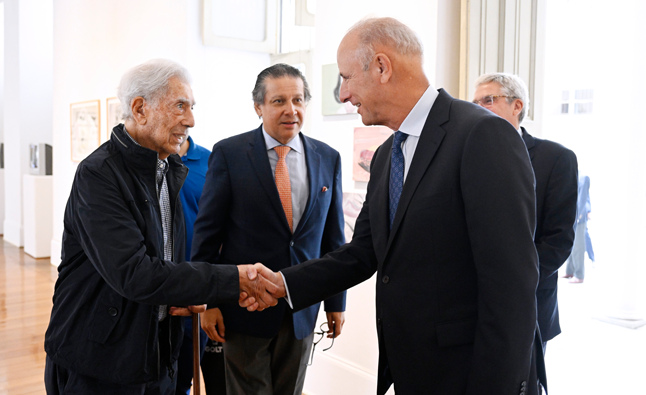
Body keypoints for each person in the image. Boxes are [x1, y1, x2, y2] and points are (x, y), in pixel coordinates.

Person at [255, 18, 544, 395]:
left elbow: (512, 285)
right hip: (412, 370)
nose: (342, 94)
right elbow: (362, 253)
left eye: (346, 78)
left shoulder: (482, 135)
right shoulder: (386, 155)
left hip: (470, 375)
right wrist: (283, 284)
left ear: (381, 67)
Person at [44, 59, 274, 395]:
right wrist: (232, 279)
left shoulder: (167, 169)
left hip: (156, 350)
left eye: (191, 107)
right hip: (100, 359)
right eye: (180, 106)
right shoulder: (98, 174)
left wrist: (190, 294)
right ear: (140, 109)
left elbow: (166, 260)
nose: (191, 120)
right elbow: (134, 273)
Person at [192, 63, 346, 395]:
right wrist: (209, 302)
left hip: (303, 308)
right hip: (244, 308)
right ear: (258, 107)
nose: (291, 110)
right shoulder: (229, 154)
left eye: (298, 100)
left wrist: (336, 303)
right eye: (278, 101)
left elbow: (333, 239)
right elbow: (208, 234)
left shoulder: (328, 157)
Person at [473, 72, 578, 393]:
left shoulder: (556, 159)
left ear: (517, 105)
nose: (479, 108)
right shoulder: (467, 155)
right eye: (474, 102)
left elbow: (558, 242)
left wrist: (511, 284)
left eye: (488, 100)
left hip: (528, 304)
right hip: (470, 305)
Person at [174, 135, 215, 395]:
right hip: (153, 285)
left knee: (184, 374)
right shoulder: (146, 161)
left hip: (195, 287)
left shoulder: (211, 161)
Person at [565, 172, 591, 283]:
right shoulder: (571, 175)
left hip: (578, 218)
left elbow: (583, 199)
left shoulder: (583, 177)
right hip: (572, 216)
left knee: (578, 247)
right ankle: (570, 271)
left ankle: (579, 275)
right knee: (571, 245)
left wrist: (578, 216)